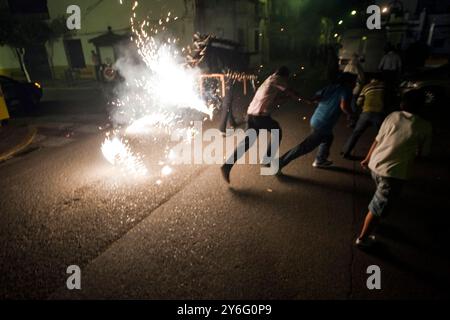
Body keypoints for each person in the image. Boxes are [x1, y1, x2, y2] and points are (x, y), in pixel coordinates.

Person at [355, 89, 432, 249]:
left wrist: (367, 158)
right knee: (378, 207)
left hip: (375, 165)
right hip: (393, 172)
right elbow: (423, 153)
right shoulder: (424, 126)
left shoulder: (393, 116)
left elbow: (377, 140)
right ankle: (362, 239)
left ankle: (373, 223)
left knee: (380, 198)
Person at [220, 66, 303, 183]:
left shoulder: (270, 79)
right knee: (277, 131)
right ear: (284, 76)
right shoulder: (278, 79)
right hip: (259, 117)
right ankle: (267, 159)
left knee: (247, 143)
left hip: (251, 115)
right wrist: (307, 99)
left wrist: (285, 98)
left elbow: (273, 99)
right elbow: (291, 92)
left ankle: (226, 166)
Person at [277, 72, 355, 172]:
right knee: (304, 147)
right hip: (323, 124)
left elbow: (314, 99)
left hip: (316, 119)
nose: (355, 84)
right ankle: (279, 163)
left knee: (328, 138)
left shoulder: (330, 87)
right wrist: (352, 114)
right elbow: (344, 106)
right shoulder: (346, 90)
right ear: (348, 82)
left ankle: (320, 160)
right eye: (354, 81)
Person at [342, 73, 386, 158]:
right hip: (379, 113)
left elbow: (359, 101)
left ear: (372, 79)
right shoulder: (384, 87)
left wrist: (362, 109)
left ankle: (345, 152)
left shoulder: (366, 86)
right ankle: (378, 156)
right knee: (380, 136)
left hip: (366, 113)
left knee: (356, 133)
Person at [344, 53, 366, 127]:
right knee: (353, 103)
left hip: (349, 87)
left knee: (350, 103)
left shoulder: (348, 66)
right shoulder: (357, 67)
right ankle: (353, 119)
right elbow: (362, 79)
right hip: (355, 87)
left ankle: (351, 119)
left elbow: (344, 76)